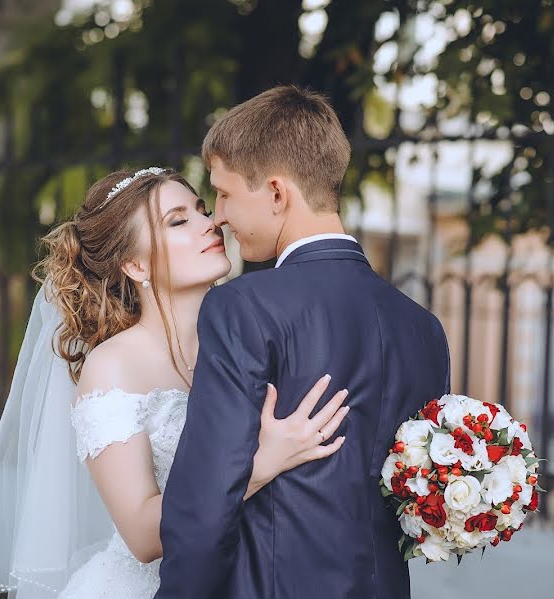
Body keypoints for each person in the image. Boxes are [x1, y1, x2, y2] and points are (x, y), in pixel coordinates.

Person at [0, 165, 350, 599]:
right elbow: (142, 535)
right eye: (179, 221)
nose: (210, 223)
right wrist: (261, 464)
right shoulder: (113, 368)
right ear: (134, 264)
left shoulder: (251, 338)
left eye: (201, 209)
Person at [157, 86, 451, 599]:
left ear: (276, 193)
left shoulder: (241, 307)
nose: (219, 216)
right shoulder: (424, 328)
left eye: (224, 194)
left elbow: (203, 504)